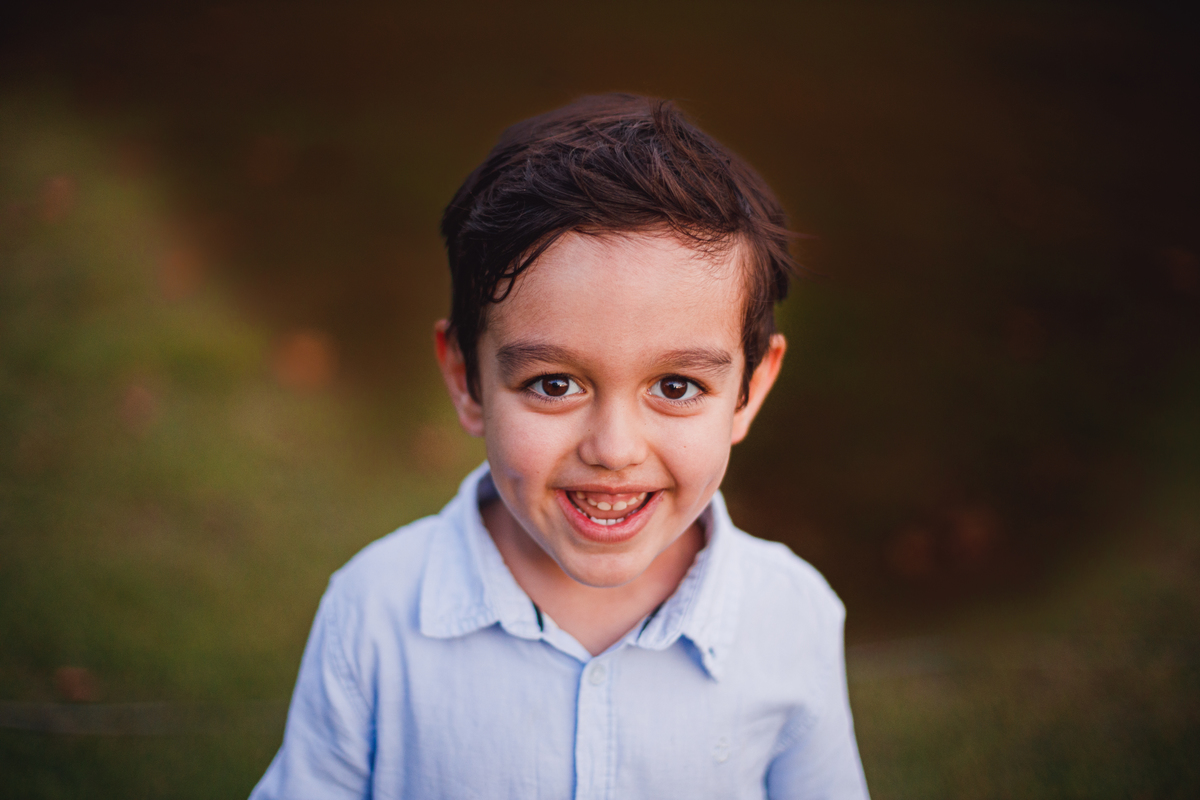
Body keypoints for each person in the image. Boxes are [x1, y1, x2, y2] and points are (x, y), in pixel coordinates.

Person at [250, 93, 870, 800]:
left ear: (750, 390)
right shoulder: (375, 614)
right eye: (553, 384)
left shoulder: (792, 616)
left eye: (675, 386)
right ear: (466, 379)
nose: (614, 449)